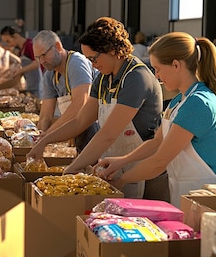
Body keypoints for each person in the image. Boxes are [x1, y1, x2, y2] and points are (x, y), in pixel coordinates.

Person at [28, 17, 162, 198]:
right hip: (112, 164)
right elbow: (80, 121)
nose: (92, 64)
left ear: (112, 50)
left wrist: (72, 168)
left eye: (94, 58)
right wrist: (44, 141)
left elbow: (108, 134)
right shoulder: (104, 79)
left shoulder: (135, 78)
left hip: (140, 168)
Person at [97, 32, 216, 207]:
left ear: (176, 65)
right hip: (188, 194)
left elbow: (159, 162)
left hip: (210, 198)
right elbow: (157, 142)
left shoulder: (197, 104)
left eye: (158, 69)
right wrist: (122, 161)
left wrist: (122, 181)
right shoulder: (179, 101)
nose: (156, 76)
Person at [32, 30, 99, 153]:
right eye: (37, 58)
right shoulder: (49, 75)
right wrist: (37, 139)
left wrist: (48, 136)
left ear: (57, 47)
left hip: (95, 128)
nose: (42, 61)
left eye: (44, 55)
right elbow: (45, 116)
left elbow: (80, 105)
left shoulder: (76, 63)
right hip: (75, 129)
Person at [0, 25, 41, 96]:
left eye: (8, 41)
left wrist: (19, 71)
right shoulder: (21, 50)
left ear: (15, 36)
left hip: (37, 84)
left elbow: (37, 63)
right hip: (30, 83)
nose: (8, 44)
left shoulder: (30, 45)